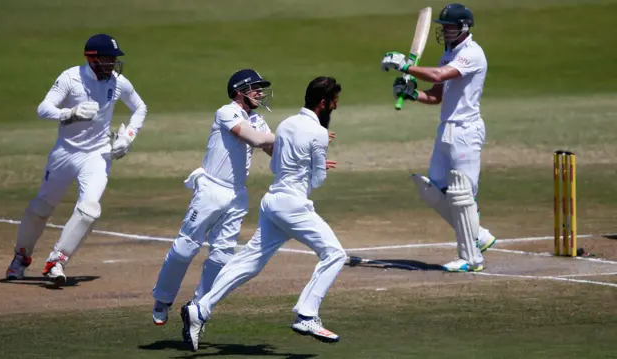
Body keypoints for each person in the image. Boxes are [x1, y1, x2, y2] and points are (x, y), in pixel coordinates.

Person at [180, 76, 345, 352]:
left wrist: (306, 162)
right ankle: (307, 314)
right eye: (334, 103)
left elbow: (278, 164)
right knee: (336, 254)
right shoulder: (317, 133)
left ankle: (200, 308)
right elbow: (316, 181)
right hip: (293, 205)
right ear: (323, 103)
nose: (335, 108)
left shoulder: (286, 124)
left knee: (248, 263)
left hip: (272, 203)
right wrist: (319, 166)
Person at [5, 33, 147, 286]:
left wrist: (127, 137)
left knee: (89, 209)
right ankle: (21, 257)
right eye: (108, 59)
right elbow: (43, 108)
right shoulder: (71, 78)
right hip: (65, 153)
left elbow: (140, 108)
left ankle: (57, 260)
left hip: (98, 154)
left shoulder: (118, 82)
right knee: (41, 208)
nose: (113, 64)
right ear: (92, 58)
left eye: (115, 60)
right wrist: (69, 113)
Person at [150, 69, 276, 326]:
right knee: (186, 248)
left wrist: (309, 150)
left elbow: (274, 150)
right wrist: (291, 133)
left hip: (237, 195)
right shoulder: (226, 112)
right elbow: (253, 139)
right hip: (211, 189)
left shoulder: (260, 121)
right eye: (255, 88)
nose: (260, 93)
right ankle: (163, 298)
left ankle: (196, 306)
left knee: (222, 257)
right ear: (239, 92)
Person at [380, 3, 496, 272]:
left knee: (461, 194)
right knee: (434, 189)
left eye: (449, 27)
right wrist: (412, 94)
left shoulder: (472, 54)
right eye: (443, 28)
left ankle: (472, 258)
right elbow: (436, 94)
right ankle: (480, 235)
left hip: (466, 131)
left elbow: (438, 75)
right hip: (446, 129)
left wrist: (406, 67)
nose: (445, 32)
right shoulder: (449, 53)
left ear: (464, 28)